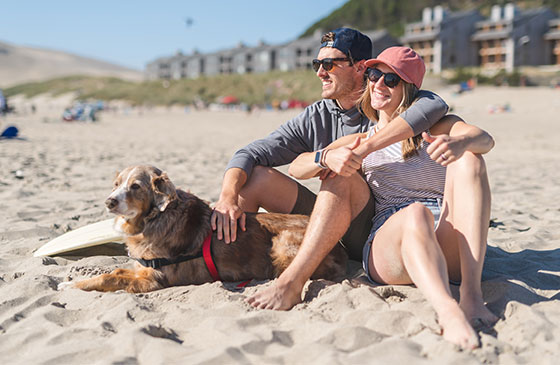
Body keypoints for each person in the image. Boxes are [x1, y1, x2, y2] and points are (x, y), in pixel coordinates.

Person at [249, 47, 498, 349]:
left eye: (391, 80)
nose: (379, 85)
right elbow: (298, 166)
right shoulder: (361, 140)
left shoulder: (438, 127)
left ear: (408, 88)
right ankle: (447, 310)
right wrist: (327, 156)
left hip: (446, 239)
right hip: (390, 246)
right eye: (374, 75)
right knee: (395, 202)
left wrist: (460, 142)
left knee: (472, 159)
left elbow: (485, 139)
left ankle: (471, 296)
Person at [212, 28, 449, 264]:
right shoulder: (317, 116)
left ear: (360, 67)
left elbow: (434, 104)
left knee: (344, 176)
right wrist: (227, 198)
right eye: (317, 64)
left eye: (329, 64)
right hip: (329, 216)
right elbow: (250, 153)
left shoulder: (387, 98)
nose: (320, 73)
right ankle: (231, 258)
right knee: (255, 179)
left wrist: (365, 147)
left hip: (378, 228)